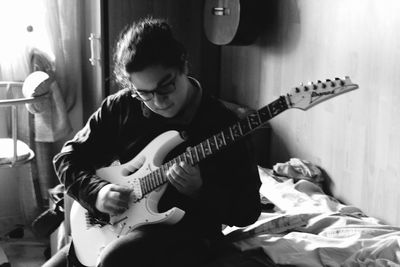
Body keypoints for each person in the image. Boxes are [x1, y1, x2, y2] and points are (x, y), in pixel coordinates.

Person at [43, 17, 261, 267]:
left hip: (186, 236)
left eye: (165, 87)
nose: (158, 102)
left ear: (184, 66)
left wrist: (202, 190)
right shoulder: (122, 106)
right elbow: (66, 159)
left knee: (116, 259)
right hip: (113, 226)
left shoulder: (224, 124)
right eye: (144, 93)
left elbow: (248, 210)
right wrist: (98, 192)